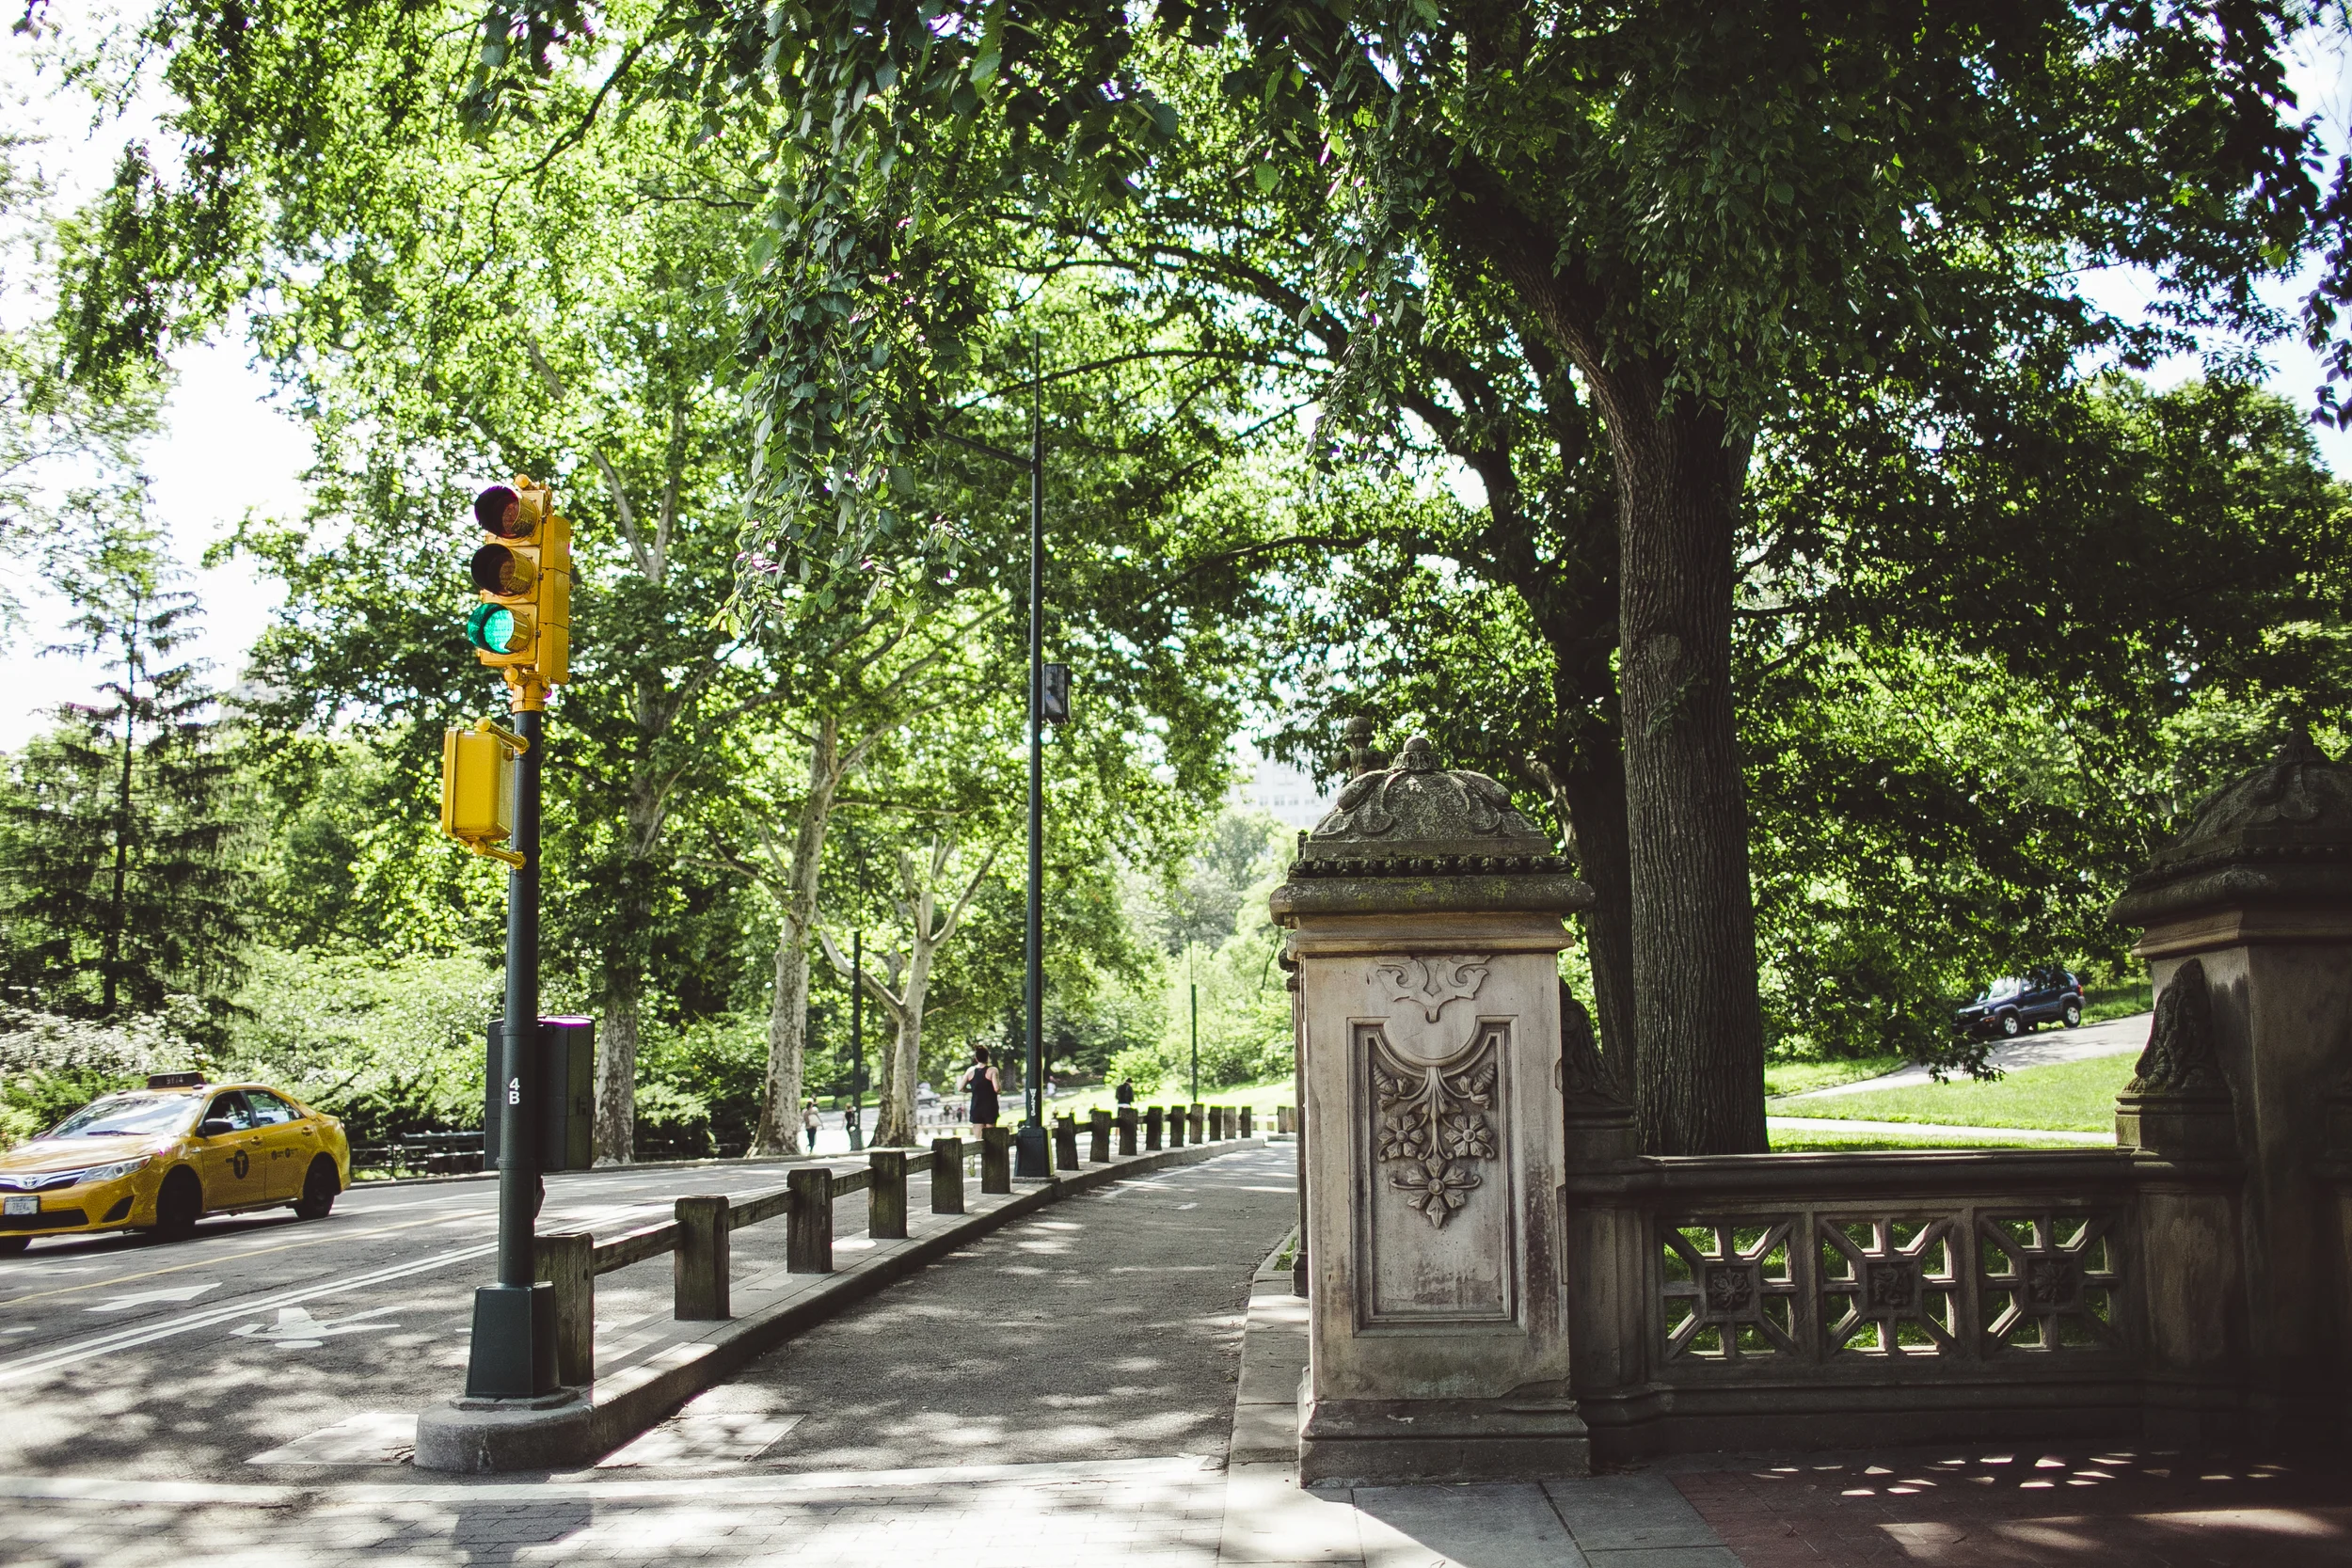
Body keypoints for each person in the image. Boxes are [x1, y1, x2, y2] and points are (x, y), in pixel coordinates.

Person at [960, 1047, 1002, 1128]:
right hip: (990, 1107)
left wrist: (972, 1090)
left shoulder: (970, 1070)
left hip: (976, 1107)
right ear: (987, 1057)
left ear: (976, 1058)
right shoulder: (992, 1070)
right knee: (991, 1136)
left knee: (978, 1138)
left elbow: (961, 1088)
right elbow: (997, 1089)